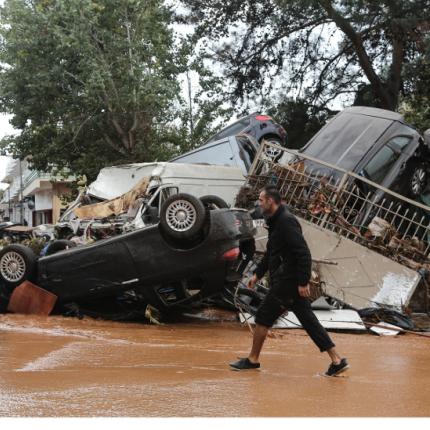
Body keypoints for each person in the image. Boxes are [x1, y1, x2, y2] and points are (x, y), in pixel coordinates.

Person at [229, 185, 349, 376]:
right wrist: (257, 274)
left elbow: (303, 253)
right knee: (309, 320)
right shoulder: (276, 221)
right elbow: (271, 252)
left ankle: (252, 360)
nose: (259, 204)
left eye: (261, 200)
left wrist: (303, 282)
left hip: (288, 281)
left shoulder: (286, 222)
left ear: (270, 201)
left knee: (262, 317)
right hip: (287, 280)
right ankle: (337, 360)